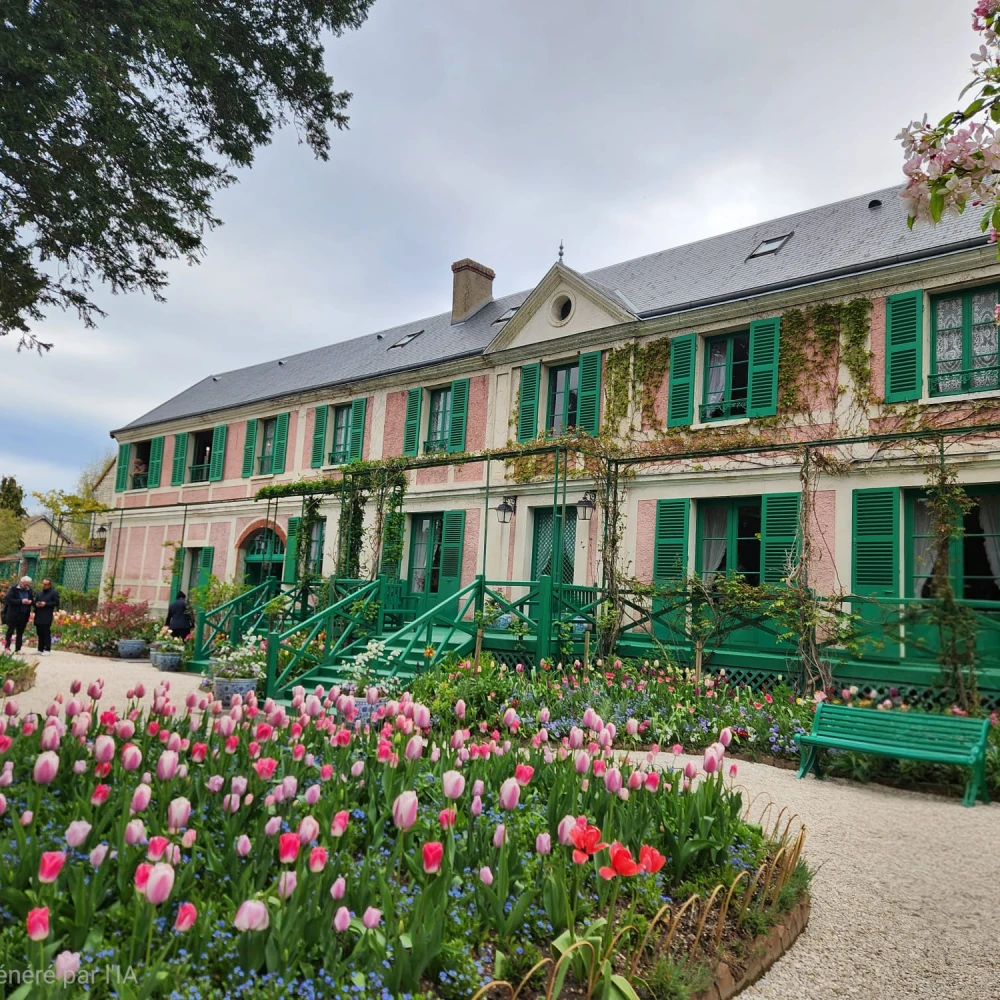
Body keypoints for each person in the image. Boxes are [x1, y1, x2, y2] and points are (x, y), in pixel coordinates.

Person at [3, 577, 34, 654]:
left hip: (24, 614)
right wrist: (21, 601)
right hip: (14, 614)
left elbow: (32, 599)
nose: (26, 586)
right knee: (10, 631)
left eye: (28, 585)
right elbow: (9, 599)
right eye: (25, 584)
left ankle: (18, 649)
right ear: (21, 582)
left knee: (20, 632)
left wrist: (30, 602)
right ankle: (7, 647)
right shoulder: (14, 589)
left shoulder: (29, 590)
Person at [33, 578, 59, 655]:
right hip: (38, 614)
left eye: (45, 584)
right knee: (39, 632)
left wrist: (46, 604)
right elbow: (35, 602)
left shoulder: (53, 593)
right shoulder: (39, 593)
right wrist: (36, 604)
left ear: (49, 585)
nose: (43, 586)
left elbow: (56, 603)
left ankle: (47, 649)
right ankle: (40, 649)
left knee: (46, 632)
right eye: (43, 584)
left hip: (47, 615)